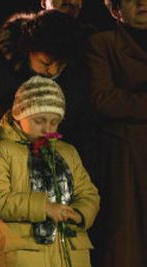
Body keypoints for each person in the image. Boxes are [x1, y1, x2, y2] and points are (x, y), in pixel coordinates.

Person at [0, 9, 94, 267]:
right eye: (46, 63)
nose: (53, 71)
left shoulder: (76, 77)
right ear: (28, 50)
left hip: (56, 202)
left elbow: (82, 131)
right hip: (2, 183)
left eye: (60, 65)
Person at [0, 75, 100, 267]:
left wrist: (80, 213)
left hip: (72, 253)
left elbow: (89, 193)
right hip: (27, 256)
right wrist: (43, 207)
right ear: (20, 114)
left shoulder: (67, 152)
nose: (47, 129)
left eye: (54, 123)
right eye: (39, 120)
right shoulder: (2, 150)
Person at [85, 0, 147, 266]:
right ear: (115, 10)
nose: (142, 3)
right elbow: (103, 99)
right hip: (127, 158)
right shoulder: (103, 43)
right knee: (127, 242)